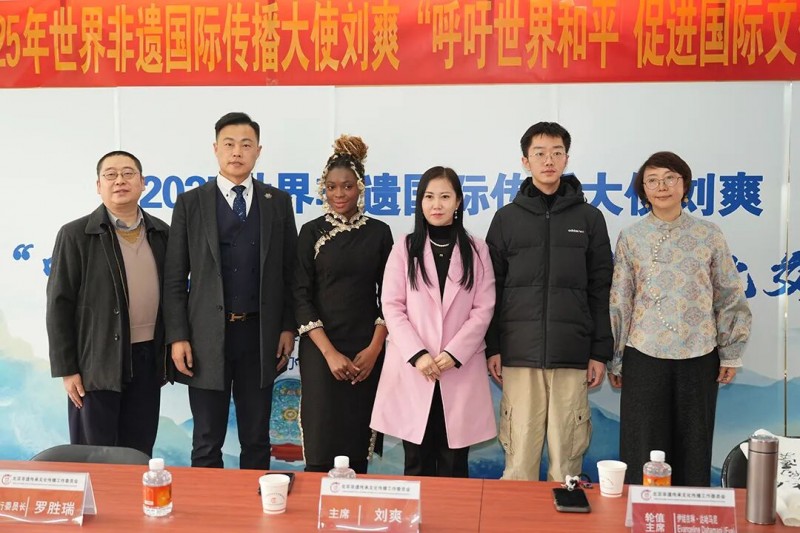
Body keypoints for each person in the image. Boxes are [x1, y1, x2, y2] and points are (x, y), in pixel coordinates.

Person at [608, 151, 752, 486]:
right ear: (643, 190)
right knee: (642, 448)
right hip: (643, 355)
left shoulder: (708, 234)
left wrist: (730, 351)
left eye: (669, 178)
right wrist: (616, 357)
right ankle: (643, 512)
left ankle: (691, 511)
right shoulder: (631, 237)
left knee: (694, 448)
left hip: (698, 355)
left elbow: (728, 293)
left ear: (684, 185)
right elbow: (620, 300)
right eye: (652, 180)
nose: (662, 187)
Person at [163, 112, 298, 469]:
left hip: (259, 336)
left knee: (257, 438)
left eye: (246, 144)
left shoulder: (278, 202)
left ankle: (259, 502)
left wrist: (288, 326)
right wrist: (178, 336)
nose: (237, 152)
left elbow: (290, 272)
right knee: (207, 440)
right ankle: (208, 505)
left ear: (258, 151)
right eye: (229, 144)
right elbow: (174, 278)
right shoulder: (190, 203)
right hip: (205, 339)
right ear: (215, 149)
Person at [485, 121, 613, 481]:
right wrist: (493, 347)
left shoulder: (589, 218)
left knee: (567, 462)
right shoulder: (506, 219)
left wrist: (599, 352)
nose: (548, 161)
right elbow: (492, 289)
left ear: (566, 159)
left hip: (571, 354)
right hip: (519, 354)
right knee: (519, 461)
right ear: (525, 161)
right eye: (539, 153)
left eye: (557, 153)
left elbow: (601, 288)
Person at [371, 166, 496, 477]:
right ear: (420, 202)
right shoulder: (404, 247)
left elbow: (483, 308)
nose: (436, 205)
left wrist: (454, 353)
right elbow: (392, 305)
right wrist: (418, 354)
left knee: (455, 464)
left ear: (458, 202)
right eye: (429, 197)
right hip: (415, 369)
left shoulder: (477, 249)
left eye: (444, 197)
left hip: (459, 369)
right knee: (416, 463)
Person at [46, 150, 169, 457]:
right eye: (110, 175)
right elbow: (59, 304)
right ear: (98, 185)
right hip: (96, 362)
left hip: (147, 359)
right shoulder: (76, 234)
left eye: (128, 174)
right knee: (94, 455)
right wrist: (67, 369)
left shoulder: (162, 233)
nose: (119, 181)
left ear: (143, 183)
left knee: (137, 452)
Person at [293, 135, 393, 474]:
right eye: (332, 187)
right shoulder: (311, 232)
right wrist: (330, 353)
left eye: (347, 186)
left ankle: (356, 503)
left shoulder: (379, 232)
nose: (339, 194)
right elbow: (300, 295)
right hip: (321, 349)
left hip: (365, 349)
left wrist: (374, 349)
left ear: (360, 188)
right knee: (321, 440)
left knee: (357, 441)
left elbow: (390, 297)